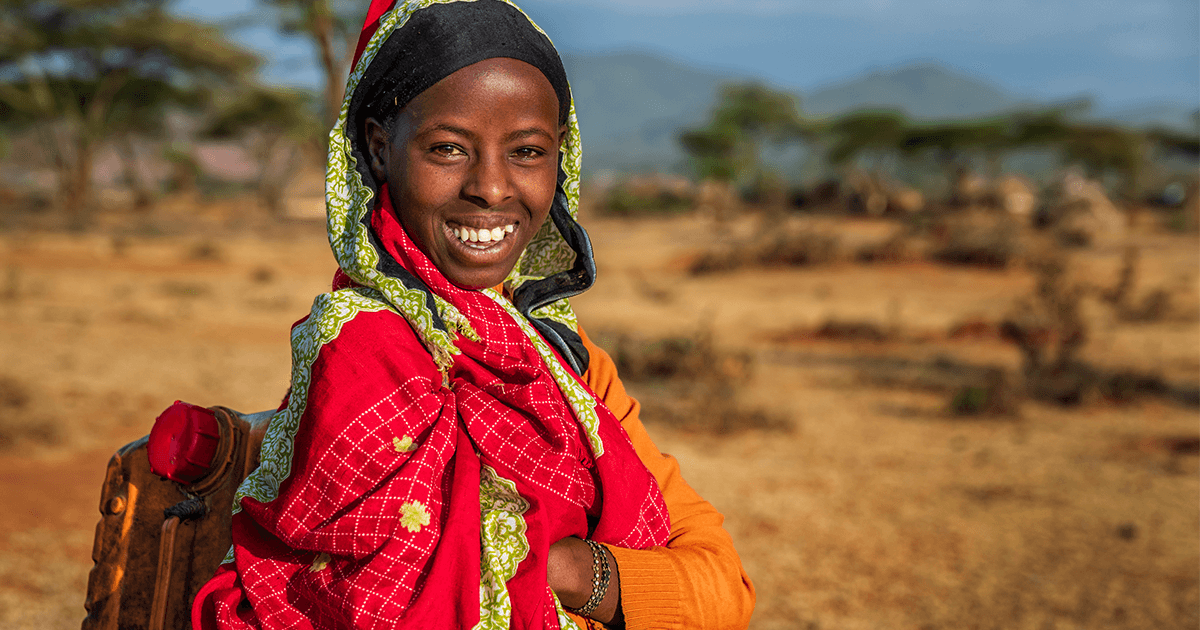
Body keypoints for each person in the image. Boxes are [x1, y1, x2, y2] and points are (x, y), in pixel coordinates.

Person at [192, 1, 754, 628]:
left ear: (559, 161)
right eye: (448, 149)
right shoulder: (362, 356)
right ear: (380, 151)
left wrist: (556, 567)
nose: (490, 187)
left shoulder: (565, 362)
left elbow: (723, 590)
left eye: (527, 152)